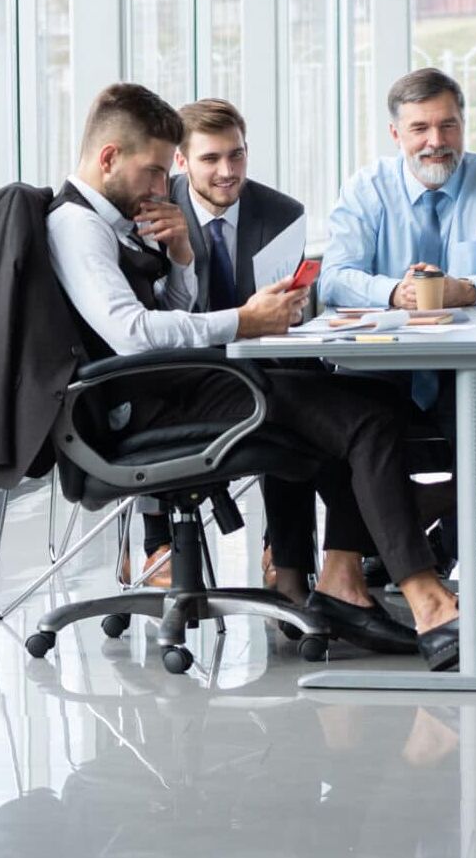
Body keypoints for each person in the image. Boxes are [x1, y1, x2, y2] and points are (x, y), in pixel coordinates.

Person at [46, 82, 461, 669]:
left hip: (176, 385)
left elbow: (169, 311)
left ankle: (345, 581)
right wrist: (243, 320)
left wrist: (183, 257)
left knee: (364, 401)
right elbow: (132, 333)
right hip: (151, 403)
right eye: (157, 170)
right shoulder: (78, 226)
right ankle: (424, 599)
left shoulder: (114, 218)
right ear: (111, 157)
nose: (162, 186)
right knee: (363, 415)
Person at [320, 68, 476, 565]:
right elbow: (333, 277)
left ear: (463, 125)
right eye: (420, 128)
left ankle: (449, 552)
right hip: (384, 372)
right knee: (349, 422)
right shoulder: (368, 189)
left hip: (470, 372)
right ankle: (381, 554)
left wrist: (463, 289)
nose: (436, 142)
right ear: (396, 134)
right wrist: (395, 293)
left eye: (448, 126)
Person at [128, 99, 314, 600]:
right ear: (182, 162)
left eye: (237, 156)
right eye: (211, 159)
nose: (227, 172)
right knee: (154, 383)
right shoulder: (152, 211)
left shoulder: (282, 213)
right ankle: (157, 544)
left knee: (299, 395)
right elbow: (160, 314)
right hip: (182, 365)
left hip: (260, 360)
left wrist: (291, 311)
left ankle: (287, 552)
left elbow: (286, 309)